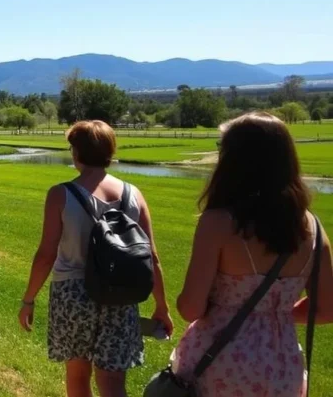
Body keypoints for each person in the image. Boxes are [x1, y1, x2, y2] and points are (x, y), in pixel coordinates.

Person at [170, 112, 333, 396]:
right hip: (283, 366)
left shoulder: (219, 222)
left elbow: (190, 308)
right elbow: (326, 309)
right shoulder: (313, 228)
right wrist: (274, 313)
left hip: (219, 361)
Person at [18, 120, 171, 397]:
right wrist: (162, 306)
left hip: (73, 293)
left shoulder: (61, 194)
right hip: (122, 295)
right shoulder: (133, 194)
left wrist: (29, 299)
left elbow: (45, 255)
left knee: (78, 376)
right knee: (112, 383)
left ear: (76, 152)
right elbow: (152, 257)